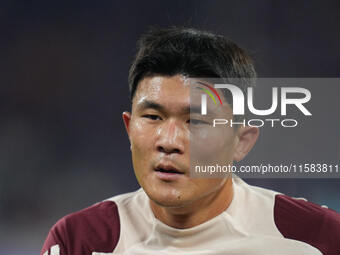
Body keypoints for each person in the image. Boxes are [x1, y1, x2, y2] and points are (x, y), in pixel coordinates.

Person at [41, 27, 340, 255]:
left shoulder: (316, 239)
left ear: (242, 141)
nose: (169, 141)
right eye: (153, 117)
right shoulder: (79, 241)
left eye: (196, 121)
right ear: (129, 128)